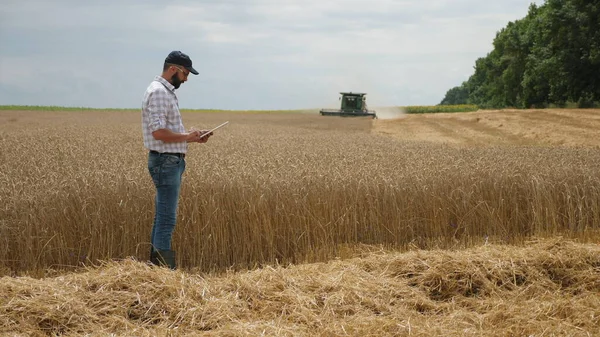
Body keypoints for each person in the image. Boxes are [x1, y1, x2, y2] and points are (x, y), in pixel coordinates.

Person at [141, 50, 211, 269]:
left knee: (162, 217)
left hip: (168, 160)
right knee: (167, 220)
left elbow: (166, 132)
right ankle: (163, 274)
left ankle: (155, 272)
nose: (186, 78)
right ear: (173, 69)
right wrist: (187, 137)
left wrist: (192, 138)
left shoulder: (164, 91)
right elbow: (158, 133)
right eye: (185, 73)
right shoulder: (160, 92)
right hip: (166, 162)